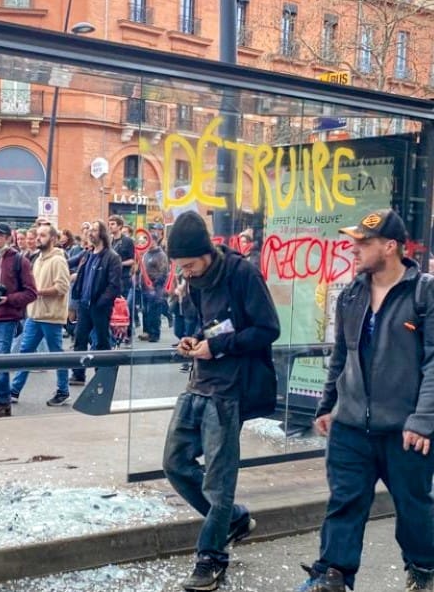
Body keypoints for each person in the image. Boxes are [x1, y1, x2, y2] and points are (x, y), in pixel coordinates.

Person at [297, 210, 434, 592]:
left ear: (390, 247)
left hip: (405, 429)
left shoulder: (424, 292)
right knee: (345, 501)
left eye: (364, 243)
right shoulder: (353, 293)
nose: (354, 249)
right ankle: (334, 575)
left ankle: (423, 569)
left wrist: (423, 420)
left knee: (414, 509)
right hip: (352, 424)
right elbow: (341, 353)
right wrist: (327, 406)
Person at [162, 211, 280, 592]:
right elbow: (209, 324)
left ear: (207, 253)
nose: (187, 274)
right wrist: (194, 340)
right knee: (175, 463)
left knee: (218, 481)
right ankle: (232, 521)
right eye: (181, 268)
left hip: (231, 390)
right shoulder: (195, 280)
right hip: (200, 382)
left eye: (191, 265)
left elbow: (267, 329)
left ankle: (211, 558)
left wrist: (218, 347)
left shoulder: (242, 274)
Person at [0, 222, 37, 418]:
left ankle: (3, 401)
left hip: (8, 319)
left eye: (0, 235)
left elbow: (31, 293)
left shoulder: (20, 261)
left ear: (9, 238)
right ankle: (3, 401)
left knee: (0, 360)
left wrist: (8, 299)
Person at [9, 224, 71, 407]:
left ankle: (63, 390)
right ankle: (14, 390)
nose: (38, 238)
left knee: (57, 355)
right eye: (38, 235)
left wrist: (39, 292)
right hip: (35, 314)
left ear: (52, 239)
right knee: (25, 353)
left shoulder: (58, 260)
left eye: (42, 235)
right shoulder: (38, 259)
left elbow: (62, 287)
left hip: (51, 316)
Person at [69, 220, 122, 387]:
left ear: (102, 234)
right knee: (80, 339)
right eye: (89, 230)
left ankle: (103, 375)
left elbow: (114, 285)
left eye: (94, 230)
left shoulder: (112, 257)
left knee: (102, 341)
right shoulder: (87, 254)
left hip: (99, 306)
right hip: (84, 305)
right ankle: (78, 374)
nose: (90, 233)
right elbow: (69, 263)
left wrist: (101, 303)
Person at [138, 223, 169, 343]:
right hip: (144, 287)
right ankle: (147, 332)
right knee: (146, 311)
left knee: (154, 312)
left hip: (155, 288)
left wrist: (154, 284)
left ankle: (155, 334)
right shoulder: (146, 254)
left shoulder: (160, 255)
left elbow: (163, 272)